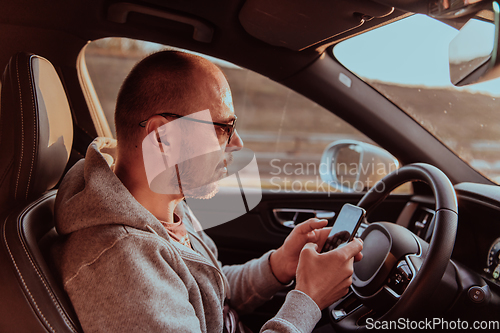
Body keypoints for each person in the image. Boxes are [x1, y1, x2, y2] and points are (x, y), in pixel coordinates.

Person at [52, 50, 363, 333]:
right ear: (163, 138)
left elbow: (208, 290)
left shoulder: (166, 205)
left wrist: (278, 265)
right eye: (222, 128)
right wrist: (307, 300)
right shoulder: (120, 268)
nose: (237, 143)